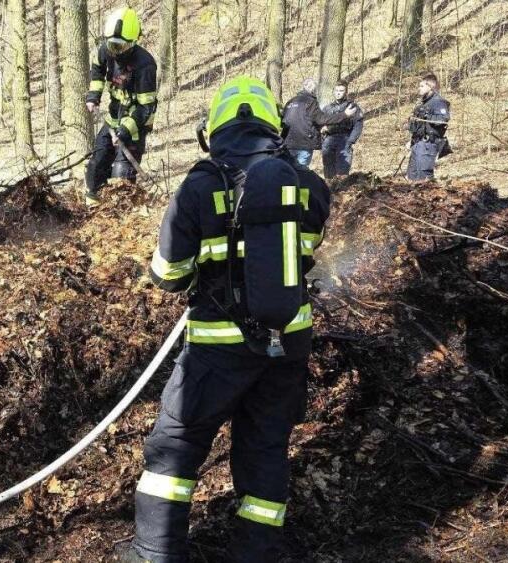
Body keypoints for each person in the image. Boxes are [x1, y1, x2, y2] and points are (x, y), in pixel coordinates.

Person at [117, 76, 331, 563]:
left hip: (217, 349)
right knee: (266, 450)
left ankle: (154, 553)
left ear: (212, 130)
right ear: (275, 127)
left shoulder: (199, 185)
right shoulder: (310, 187)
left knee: (175, 448)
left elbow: (168, 274)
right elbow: (305, 253)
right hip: (288, 346)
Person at [83, 7, 158, 207]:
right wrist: (93, 96)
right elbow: (97, 70)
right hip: (113, 117)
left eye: (121, 46)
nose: (115, 51)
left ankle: (121, 213)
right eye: (112, 45)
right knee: (97, 163)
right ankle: (92, 207)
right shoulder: (105, 50)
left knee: (121, 176)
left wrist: (125, 131)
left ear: (133, 43)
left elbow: (146, 108)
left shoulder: (145, 65)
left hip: (134, 125)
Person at [282, 78, 357, 167]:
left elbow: (283, 121)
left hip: (287, 144)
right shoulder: (310, 102)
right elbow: (321, 119)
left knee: (288, 170)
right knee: (300, 171)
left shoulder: (290, 102)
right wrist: (344, 114)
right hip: (304, 144)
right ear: (313, 90)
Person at [406, 73, 451, 181]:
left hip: (428, 144)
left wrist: (426, 117)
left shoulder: (438, 102)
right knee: (412, 175)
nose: (419, 88)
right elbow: (419, 127)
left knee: (424, 178)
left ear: (430, 87)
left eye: (422, 86)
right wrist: (411, 141)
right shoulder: (423, 103)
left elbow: (443, 119)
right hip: (417, 143)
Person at [320, 80, 364, 179]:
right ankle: (329, 188)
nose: (338, 93)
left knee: (342, 174)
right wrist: (322, 138)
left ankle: (342, 188)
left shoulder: (352, 107)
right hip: (328, 141)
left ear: (346, 92)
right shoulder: (327, 108)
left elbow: (358, 124)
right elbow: (320, 124)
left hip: (344, 140)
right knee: (328, 174)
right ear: (333, 91)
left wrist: (351, 141)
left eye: (341, 91)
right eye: (336, 90)